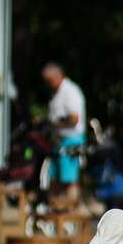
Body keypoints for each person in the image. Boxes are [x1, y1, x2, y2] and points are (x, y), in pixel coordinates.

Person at [42, 62, 86, 202]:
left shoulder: (70, 91)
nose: (47, 84)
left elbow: (74, 118)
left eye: (48, 81)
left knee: (69, 179)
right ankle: (55, 212)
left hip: (70, 140)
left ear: (57, 76)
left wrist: (55, 124)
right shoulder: (57, 92)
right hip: (58, 141)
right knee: (53, 179)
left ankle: (69, 214)